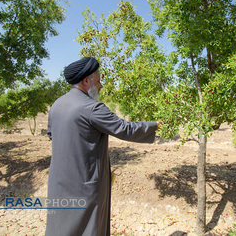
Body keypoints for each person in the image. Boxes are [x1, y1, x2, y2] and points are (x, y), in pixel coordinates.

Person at [45, 57, 159, 236]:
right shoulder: (92, 108)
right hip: (85, 187)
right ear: (86, 81)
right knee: (89, 229)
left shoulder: (56, 105)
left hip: (58, 184)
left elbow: (53, 135)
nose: (101, 86)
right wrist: (156, 125)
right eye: (98, 81)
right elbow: (124, 129)